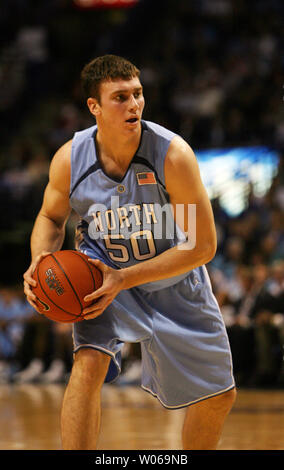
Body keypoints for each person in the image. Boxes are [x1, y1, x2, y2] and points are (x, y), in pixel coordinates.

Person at [23, 54, 236, 450]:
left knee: (220, 396)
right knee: (88, 364)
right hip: (101, 277)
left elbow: (203, 246)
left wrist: (126, 277)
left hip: (172, 280)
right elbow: (51, 219)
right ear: (95, 107)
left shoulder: (173, 155)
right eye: (120, 97)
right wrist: (40, 260)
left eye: (138, 94)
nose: (134, 104)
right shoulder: (71, 159)